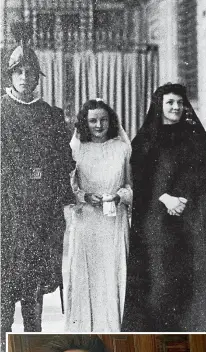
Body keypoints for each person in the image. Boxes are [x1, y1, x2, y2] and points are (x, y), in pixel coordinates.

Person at [121, 83, 206, 332]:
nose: (176, 107)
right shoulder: (145, 138)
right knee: (160, 273)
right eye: (170, 102)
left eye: (179, 102)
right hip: (155, 215)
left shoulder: (196, 136)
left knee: (193, 269)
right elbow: (140, 178)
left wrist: (183, 200)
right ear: (160, 105)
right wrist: (164, 198)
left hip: (191, 215)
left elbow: (203, 175)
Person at [1, 22, 73, 346]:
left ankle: (33, 339)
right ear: (10, 75)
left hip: (39, 212)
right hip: (6, 210)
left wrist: (46, 183)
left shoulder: (50, 115)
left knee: (33, 283)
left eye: (31, 73)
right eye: (19, 73)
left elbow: (61, 162)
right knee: (4, 281)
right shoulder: (1, 112)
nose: (25, 79)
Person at [62, 99, 132, 331]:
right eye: (93, 120)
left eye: (103, 119)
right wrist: (84, 196)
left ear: (111, 121)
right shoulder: (77, 149)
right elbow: (69, 188)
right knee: (87, 274)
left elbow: (132, 187)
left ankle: (113, 330)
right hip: (87, 221)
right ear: (85, 123)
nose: (99, 125)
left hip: (114, 222)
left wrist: (119, 196)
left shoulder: (122, 149)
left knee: (113, 274)